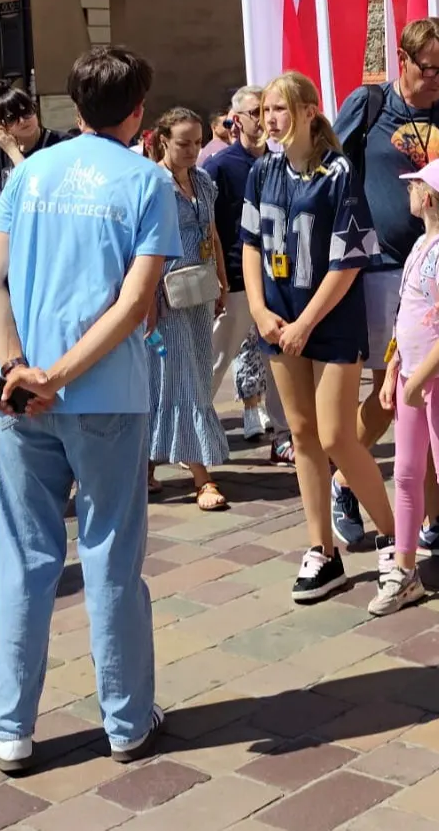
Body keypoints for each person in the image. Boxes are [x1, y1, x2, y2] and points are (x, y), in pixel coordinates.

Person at [0, 46, 177, 774]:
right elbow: (134, 301)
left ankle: (9, 727)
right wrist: (57, 375)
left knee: (24, 557)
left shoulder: (30, 172)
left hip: (22, 394)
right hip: (106, 394)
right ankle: (126, 720)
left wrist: (16, 366)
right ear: (138, 111)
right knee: (112, 554)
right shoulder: (148, 180)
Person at [329, 17, 439, 551]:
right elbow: (333, 171)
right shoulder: (370, 106)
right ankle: (346, 478)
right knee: (394, 391)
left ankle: (432, 518)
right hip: (381, 268)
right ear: (402, 59)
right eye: (429, 69)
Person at [243, 71, 396, 602]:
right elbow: (250, 244)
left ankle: (393, 538)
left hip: (329, 322)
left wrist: (307, 322)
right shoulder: (261, 172)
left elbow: (349, 260)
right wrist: (259, 310)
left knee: (336, 436)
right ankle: (321, 549)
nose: (270, 120)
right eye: (265, 110)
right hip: (277, 319)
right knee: (302, 436)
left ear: (309, 111)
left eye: (279, 109)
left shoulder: (339, 172)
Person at [369, 157, 439, 625]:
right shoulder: (423, 245)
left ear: (431, 199)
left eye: (415, 186)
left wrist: (416, 379)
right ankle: (404, 569)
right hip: (414, 380)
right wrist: (395, 369)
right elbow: (408, 316)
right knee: (406, 473)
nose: (409, 191)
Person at [146, 108, 231, 511]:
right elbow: (143, 246)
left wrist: (222, 278)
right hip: (165, 292)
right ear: (163, 140)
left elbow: (212, 231)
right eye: (184, 143)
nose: (193, 150)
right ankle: (201, 475)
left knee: (181, 374)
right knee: (182, 378)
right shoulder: (153, 184)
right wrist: (146, 300)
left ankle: (145, 464)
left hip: (200, 287)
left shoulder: (203, 180)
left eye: (198, 142)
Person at [202, 85, 288, 448]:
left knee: (279, 361)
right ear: (236, 120)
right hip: (236, 280)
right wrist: (217, 277)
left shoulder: (280, 162)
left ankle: (284, 435)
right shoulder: (219, 166)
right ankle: (192, 433)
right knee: (217, 358)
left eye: (267, 110)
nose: (263, 119)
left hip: (277, 279)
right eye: (255, 112)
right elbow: (206, 225)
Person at [0, 85, 66, 188]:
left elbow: (36, 187)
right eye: (12, 117)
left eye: (27, 111)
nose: (22, 121)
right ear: (3, 125)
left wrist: (13, 151)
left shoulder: (61, 143)